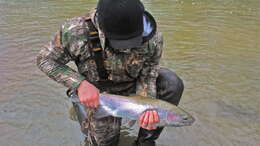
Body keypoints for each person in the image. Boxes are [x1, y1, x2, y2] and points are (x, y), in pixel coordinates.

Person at [37, 0, 184, 146]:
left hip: (133, 86)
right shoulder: (75, 31)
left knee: (172, 82)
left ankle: (145, 141)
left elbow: (149, 74)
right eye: (120, 42)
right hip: (97, 94)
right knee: (105, 143)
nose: (127, 48)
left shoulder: (154, 37)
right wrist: (79, 84)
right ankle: (82, 110)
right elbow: (45, 60)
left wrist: (147, 105)